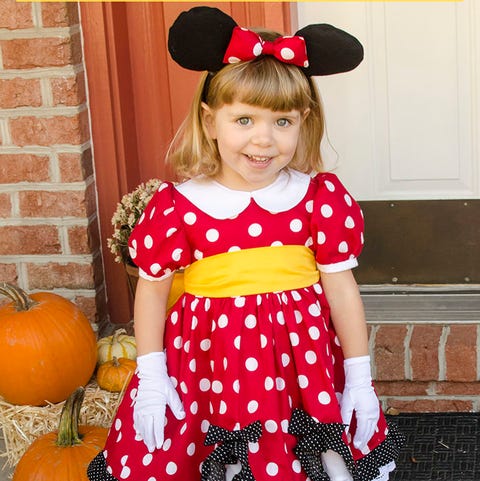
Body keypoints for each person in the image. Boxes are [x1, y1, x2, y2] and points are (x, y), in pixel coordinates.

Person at [88, 6, 404, 481]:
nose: (264, 140)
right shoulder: (178, 205)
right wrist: (151, 373)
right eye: (244, 121)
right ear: (210, 121)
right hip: (208, 366)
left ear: (304, 122)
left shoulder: (317, 197)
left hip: (300, 366)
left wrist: (358, 376)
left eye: (282, 122)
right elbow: (153, 290)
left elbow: (341, 289)